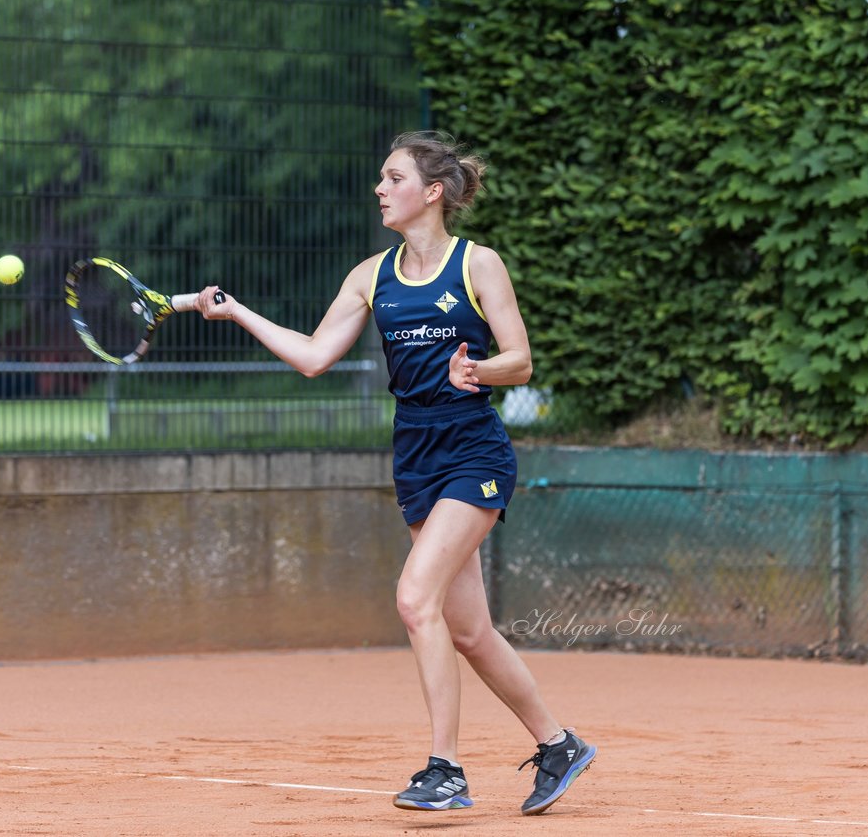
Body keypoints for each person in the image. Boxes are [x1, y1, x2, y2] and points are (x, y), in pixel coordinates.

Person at [192, 130, 595, 816]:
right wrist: (236, 313)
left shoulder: (479, 265)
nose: (380, 188)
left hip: (474, 453)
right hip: (414, 456)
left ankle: (445, 770)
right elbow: (316, 356)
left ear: (432, 192)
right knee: (467, 631)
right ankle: (558, 745)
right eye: (381, 178)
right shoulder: (369, 276)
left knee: (415, 599)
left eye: (393, 177)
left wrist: (480, 370)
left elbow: (521, 361)